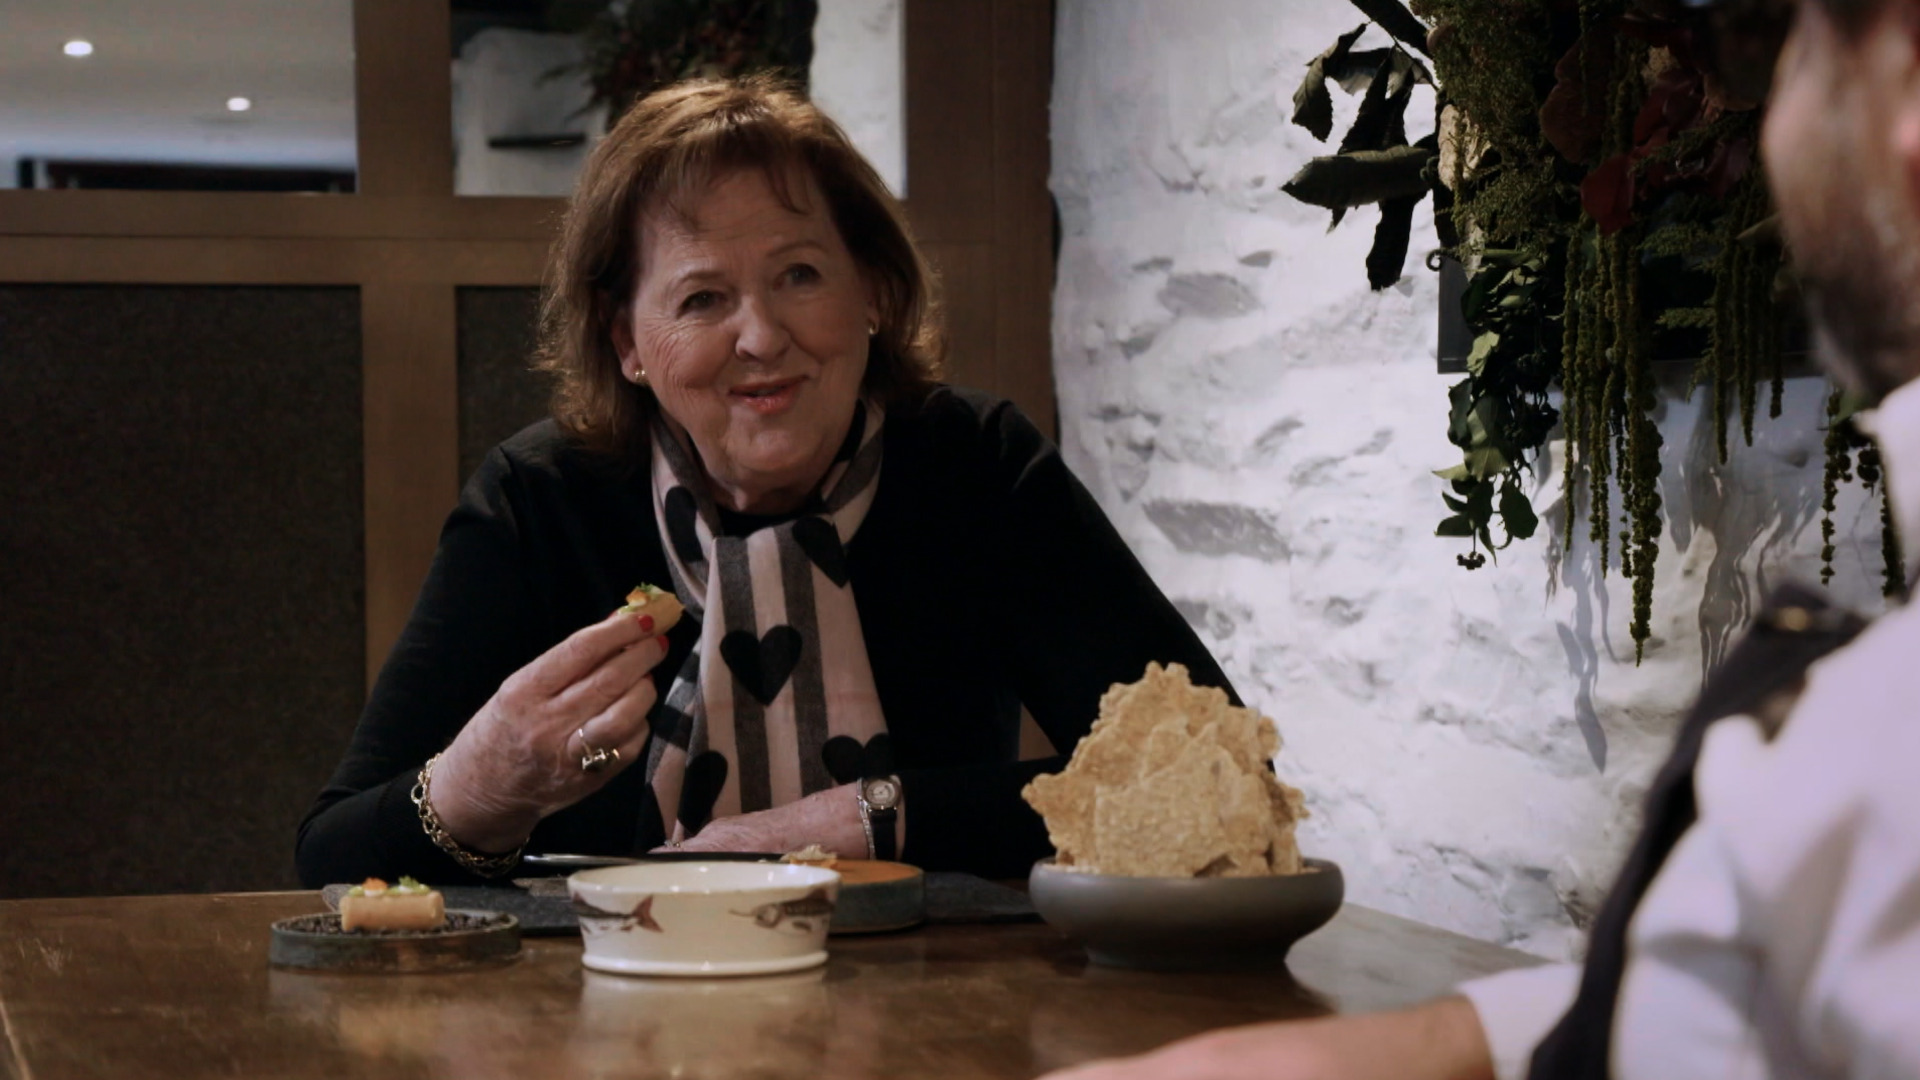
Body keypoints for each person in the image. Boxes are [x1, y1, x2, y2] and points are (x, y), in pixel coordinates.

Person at [1041, 0, 1920, 1076]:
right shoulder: (1855, 743)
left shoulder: (1877, 745)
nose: (1771, 118)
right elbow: (1703, 1005)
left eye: (1787, 51)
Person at [295, 75, 1233, 887]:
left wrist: (866, 816)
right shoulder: (542, 500)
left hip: (934, 995)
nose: (760, 336)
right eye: (702, 297)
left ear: (873, 291)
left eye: (799, 275)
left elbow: (1211, 779)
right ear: (627, 343)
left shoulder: (975, 467)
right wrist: (482, 784)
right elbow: (331, 855)